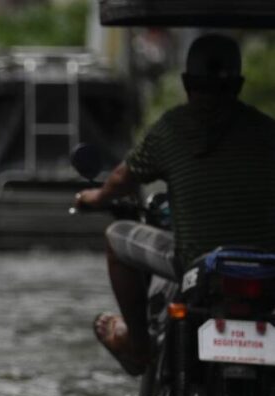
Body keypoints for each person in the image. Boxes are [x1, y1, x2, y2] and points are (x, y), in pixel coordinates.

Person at [75, 34, 275, 375]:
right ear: (239, 83)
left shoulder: (172, 129)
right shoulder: (266, 131)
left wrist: (94, 197)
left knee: (115, 237)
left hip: (197, 264)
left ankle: (138, 347)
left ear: (186, 82)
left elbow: (123, 177)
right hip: (268, 267)